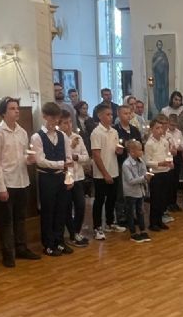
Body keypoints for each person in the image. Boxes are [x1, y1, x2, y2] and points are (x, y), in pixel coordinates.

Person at [0, 97, 38, 266]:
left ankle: (21, 248)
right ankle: (8, 254)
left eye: (17, 108)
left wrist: (28, 159)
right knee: (6, 221)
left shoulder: (22, 132)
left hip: (22, 180)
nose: (17, 111)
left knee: (21, 218)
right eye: (12, 108)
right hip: (7, 182)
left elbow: (23, 155)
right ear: (3, 112)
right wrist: (1, 187)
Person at [29, 101, 71, 256]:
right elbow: (40, 161)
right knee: (48, 211)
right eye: (52, 118)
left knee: (61, 210)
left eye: (57, 118)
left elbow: (69, 158)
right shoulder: (37, 137)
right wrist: (61, 164)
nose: (55, 121)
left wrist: (69, 178)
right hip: (46, 178)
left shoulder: (62, 136)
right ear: (45, 116)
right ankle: (48, 244)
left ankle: (59, 241)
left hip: (61, 177)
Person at [89, 104, 125, 239]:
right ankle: (97, 227)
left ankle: (110, 223)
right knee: (99, 200)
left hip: (114, 170)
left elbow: (115, 150)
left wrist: (119, 151)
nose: (111, 117)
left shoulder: (114, 132)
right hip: (101, 174)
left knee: (112, 198)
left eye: (111, 115)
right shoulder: (96, 133)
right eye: (108, 115)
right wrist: (105, 173)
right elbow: (96, 155)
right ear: (100, 116)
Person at [60, 106, 90, 247]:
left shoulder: (77, 137)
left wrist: (76, 156)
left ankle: (76, 231)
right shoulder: (58, 138)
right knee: (66, 207)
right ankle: (71, 235)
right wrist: (70, 148)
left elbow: (86, 157)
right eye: (65, 123)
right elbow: (60, 158)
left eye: (70, 122)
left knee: (80, 205)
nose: (68, 125)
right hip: (66, 176)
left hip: (78, 176)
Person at [144, 117, 174, 232]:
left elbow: (168, 154)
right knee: (155, 199)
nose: (160, 130)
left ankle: (160, 220)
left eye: (161, 128)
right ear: (152, 129)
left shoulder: (165, 142)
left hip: (165, 172)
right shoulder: (149, 144)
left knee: (163, 199)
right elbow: (147, 161)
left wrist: (170, 162)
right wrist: (159, 163)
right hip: (155, 174)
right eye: (157, 128)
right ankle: (153, 222)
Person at [120, 139, 152, 242]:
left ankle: (143, 230)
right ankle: (133, 232)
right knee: (130, 212)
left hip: (140, 191)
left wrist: (146, 177)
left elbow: (143, 172)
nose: (141, 152)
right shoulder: (126, 164)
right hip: (131, 192)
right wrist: (144, 178)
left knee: (140, 211)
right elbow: (130, 181)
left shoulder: (141, 161)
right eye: (139, 150)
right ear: (132, 152)